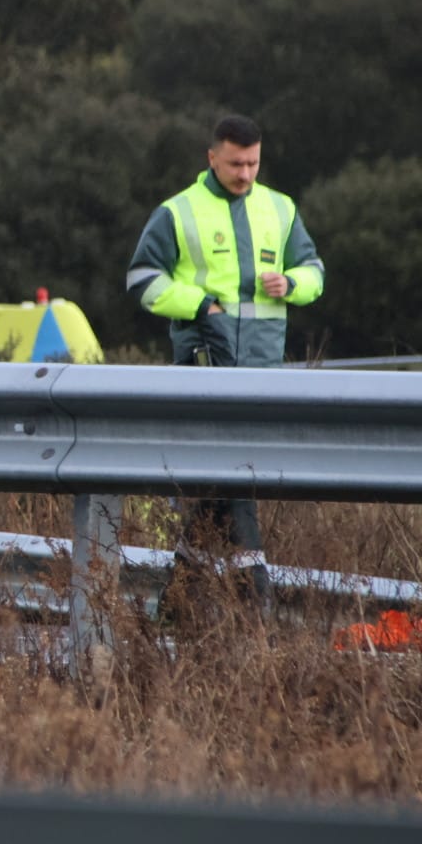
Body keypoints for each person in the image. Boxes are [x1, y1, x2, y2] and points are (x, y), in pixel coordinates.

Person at [124, 114, 324, 614]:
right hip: (204, 370)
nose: (246, 173)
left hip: (262, 372)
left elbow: (315, 272)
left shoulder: (281, 208)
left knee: (222, 484)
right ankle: (257, 600)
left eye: (254, 162)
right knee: (235, 480)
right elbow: (142, 280)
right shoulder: (178, 211)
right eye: (236, 163)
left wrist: (293, 284)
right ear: (212, 157)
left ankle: (174, 605)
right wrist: (198, 304)